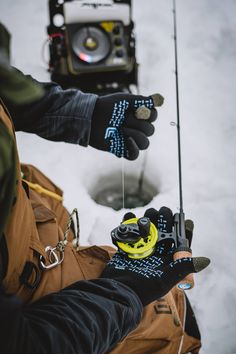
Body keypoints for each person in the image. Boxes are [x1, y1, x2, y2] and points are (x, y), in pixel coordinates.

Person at [0, 23, 210, 354]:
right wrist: (125, 291)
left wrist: (82, 113)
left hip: (32, 220)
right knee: (175, 323)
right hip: (30, 294)